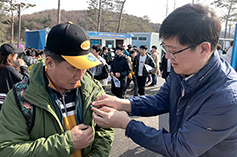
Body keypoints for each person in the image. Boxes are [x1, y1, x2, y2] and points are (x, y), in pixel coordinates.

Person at [91, 4, 237, 156]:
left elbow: (180, 147)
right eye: (165, 48)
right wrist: (122, 103)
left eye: (173, 51)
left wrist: (126, 124)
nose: (167, 56)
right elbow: (162, 100)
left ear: (203, 49)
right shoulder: (182, 69)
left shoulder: (227, 97)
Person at [0, 22, 114, 157]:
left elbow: (105, 130)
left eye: (84, 66)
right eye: (74, 67)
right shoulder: (20, 97)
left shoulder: (92, 88)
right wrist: (67, 143)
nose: (81, 75)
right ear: (49, 63)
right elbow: (8, 150)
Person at [0, 43, 29, 110]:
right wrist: (23, 67)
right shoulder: (9, 69)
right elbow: (25, 81)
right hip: (8, 105)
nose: (17, 56)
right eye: (16, 54)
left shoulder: (4, 68)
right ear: (10, 56)